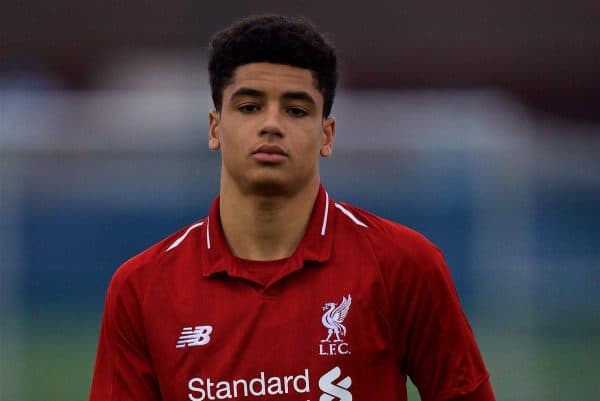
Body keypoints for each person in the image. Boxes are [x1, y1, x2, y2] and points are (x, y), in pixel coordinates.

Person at [89, 14, 496, 401]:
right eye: (249, 106)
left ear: (326, 134)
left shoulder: (403, 265)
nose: (272, 124)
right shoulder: (142, 288)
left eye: (296, 110)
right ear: (216, 128)